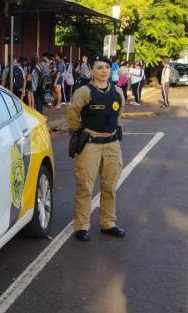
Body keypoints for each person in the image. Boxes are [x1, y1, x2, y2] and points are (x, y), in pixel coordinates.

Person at [67, 54, 126, 241]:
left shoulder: (118, 92)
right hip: (90, 144)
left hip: (112, 144)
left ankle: (108, 223)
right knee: (85, 186)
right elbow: (73, 115)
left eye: (107, 68)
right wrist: (79, 133)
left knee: (110, 186)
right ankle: (81, 226)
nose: (104, 71)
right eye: (99, 68)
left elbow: (119, 113)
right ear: (91, 70)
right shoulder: (84, 92)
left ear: (111, 70)